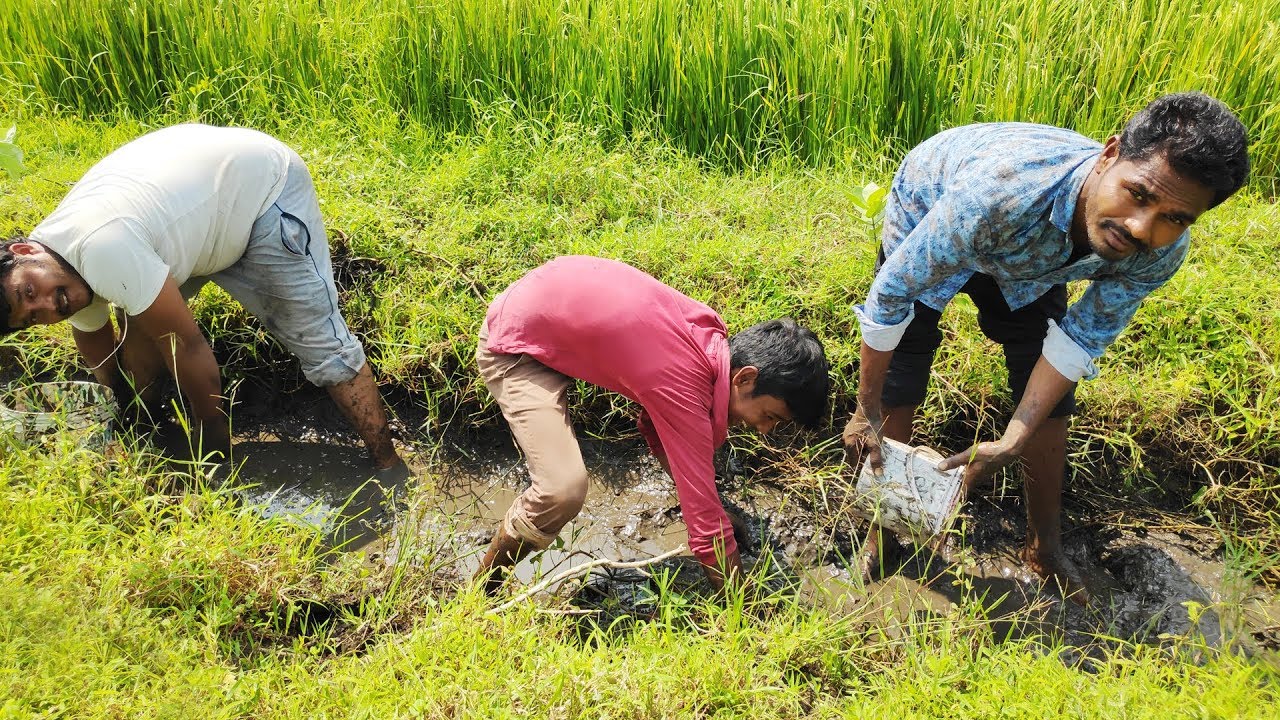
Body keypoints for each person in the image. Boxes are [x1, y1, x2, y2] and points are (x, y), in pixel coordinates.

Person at [843, 92, 1249, 602]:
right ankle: (883, 535)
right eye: (1139, 194)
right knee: (902, 374)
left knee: (1050, 397)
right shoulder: (996, 195)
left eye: (1176, 217)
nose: (1143, 227)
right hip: (942, 206)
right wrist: (864, 408)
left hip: (1035, 257)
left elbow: (1078, 340)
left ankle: (1045, 547)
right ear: (1110, 154)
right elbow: (892, 294)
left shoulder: (1157, 251)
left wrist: (1013, 438)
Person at [1, 123, 403, 472]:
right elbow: (99, 347)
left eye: (30, 293)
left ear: (24, 251)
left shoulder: (102, 249)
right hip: (190, 216)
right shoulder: (57, 271)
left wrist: (213, 444)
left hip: (259, 193)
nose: (47, 307)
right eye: (31, 318)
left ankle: (388, 465)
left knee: (323, 346)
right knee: (139, 346)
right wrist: (116, 405)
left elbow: (186, 347)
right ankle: (149, 435)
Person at [474, 255, 830, 594]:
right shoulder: (684, 382)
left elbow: (655, 427)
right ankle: (480, 592)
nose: (764, 430)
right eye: (770, 416)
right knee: (562, 490)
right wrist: (743, 604)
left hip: (548, 310)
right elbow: (706, 534)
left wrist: (714, 507)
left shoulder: (709, 338)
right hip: (515, 343)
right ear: (745, 378)